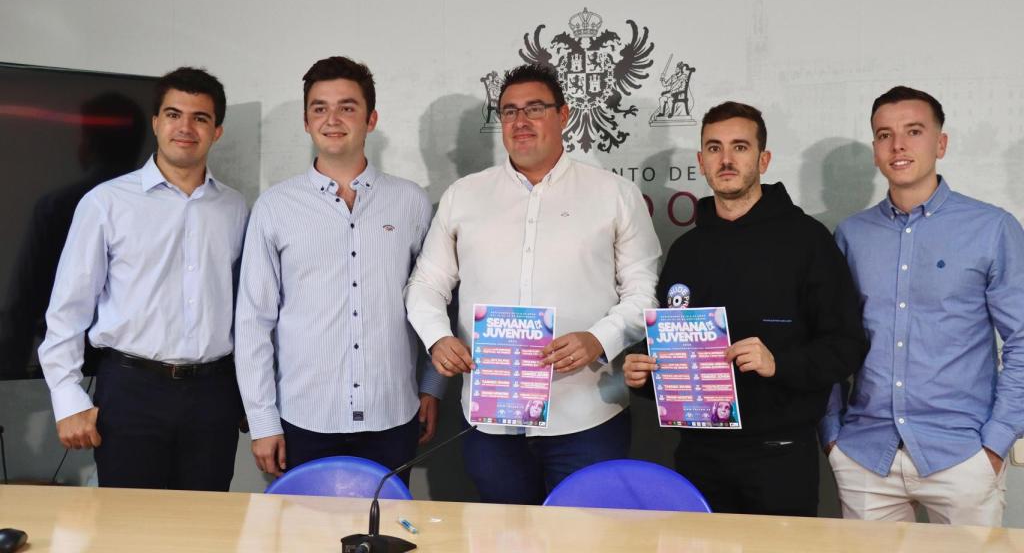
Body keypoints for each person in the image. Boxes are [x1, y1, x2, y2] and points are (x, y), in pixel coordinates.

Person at [405, 64, 660, 505]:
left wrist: (599, 339)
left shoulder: (614, 194)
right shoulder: (464, 196)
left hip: (588, 413)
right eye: (509, 112)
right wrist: (437, 337)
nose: (520, 122)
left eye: (535, 109)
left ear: (563, 115)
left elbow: (643, 295)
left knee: (586, 541)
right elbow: (425, 284)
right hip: (492, 420)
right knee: (503, 540)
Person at [624, 101, 866, 516]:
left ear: (763, 158)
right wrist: (641, 375)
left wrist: (779, 363)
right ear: (701, 161)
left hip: (780, 454)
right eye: (714, 148)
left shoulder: (808, 241)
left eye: (740, 147)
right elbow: (669, 351)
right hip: (698, 452)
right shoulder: (687, 250)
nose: (727, 159)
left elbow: (845, 345)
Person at [820, 86, 1024, 526]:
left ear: (941, 143)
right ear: (875, 149)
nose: (898, 146)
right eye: (884, 135)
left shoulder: (992, 229)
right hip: (865, 453)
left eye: (914, 131)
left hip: (963, 454)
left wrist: (996, 441)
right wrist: (832, 432)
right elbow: (830, 339)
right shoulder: (850, 235)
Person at [234, 56, 443, 484]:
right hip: (303, 420)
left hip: (393, 415)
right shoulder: (275, 208)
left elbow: (435, 300)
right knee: (303, 539)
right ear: (307, 121)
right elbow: (253, 322)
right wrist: (263, 422)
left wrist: (432, 387)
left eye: (347, 107)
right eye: (319, 108)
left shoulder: (411, 203)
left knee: (387, 534)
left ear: (372, 118)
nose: (332, 119)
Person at [37, 67, 248, 490]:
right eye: (173, 114)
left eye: (200, 118)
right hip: (131, 393)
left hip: (213, 396)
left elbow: (250, 312)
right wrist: (67, 398)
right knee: (128, 529)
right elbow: (67, 311)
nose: (185, 127)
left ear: (217, 131)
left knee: (204, 530)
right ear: (156, 123)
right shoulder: (106, 204)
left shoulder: (237, 209)